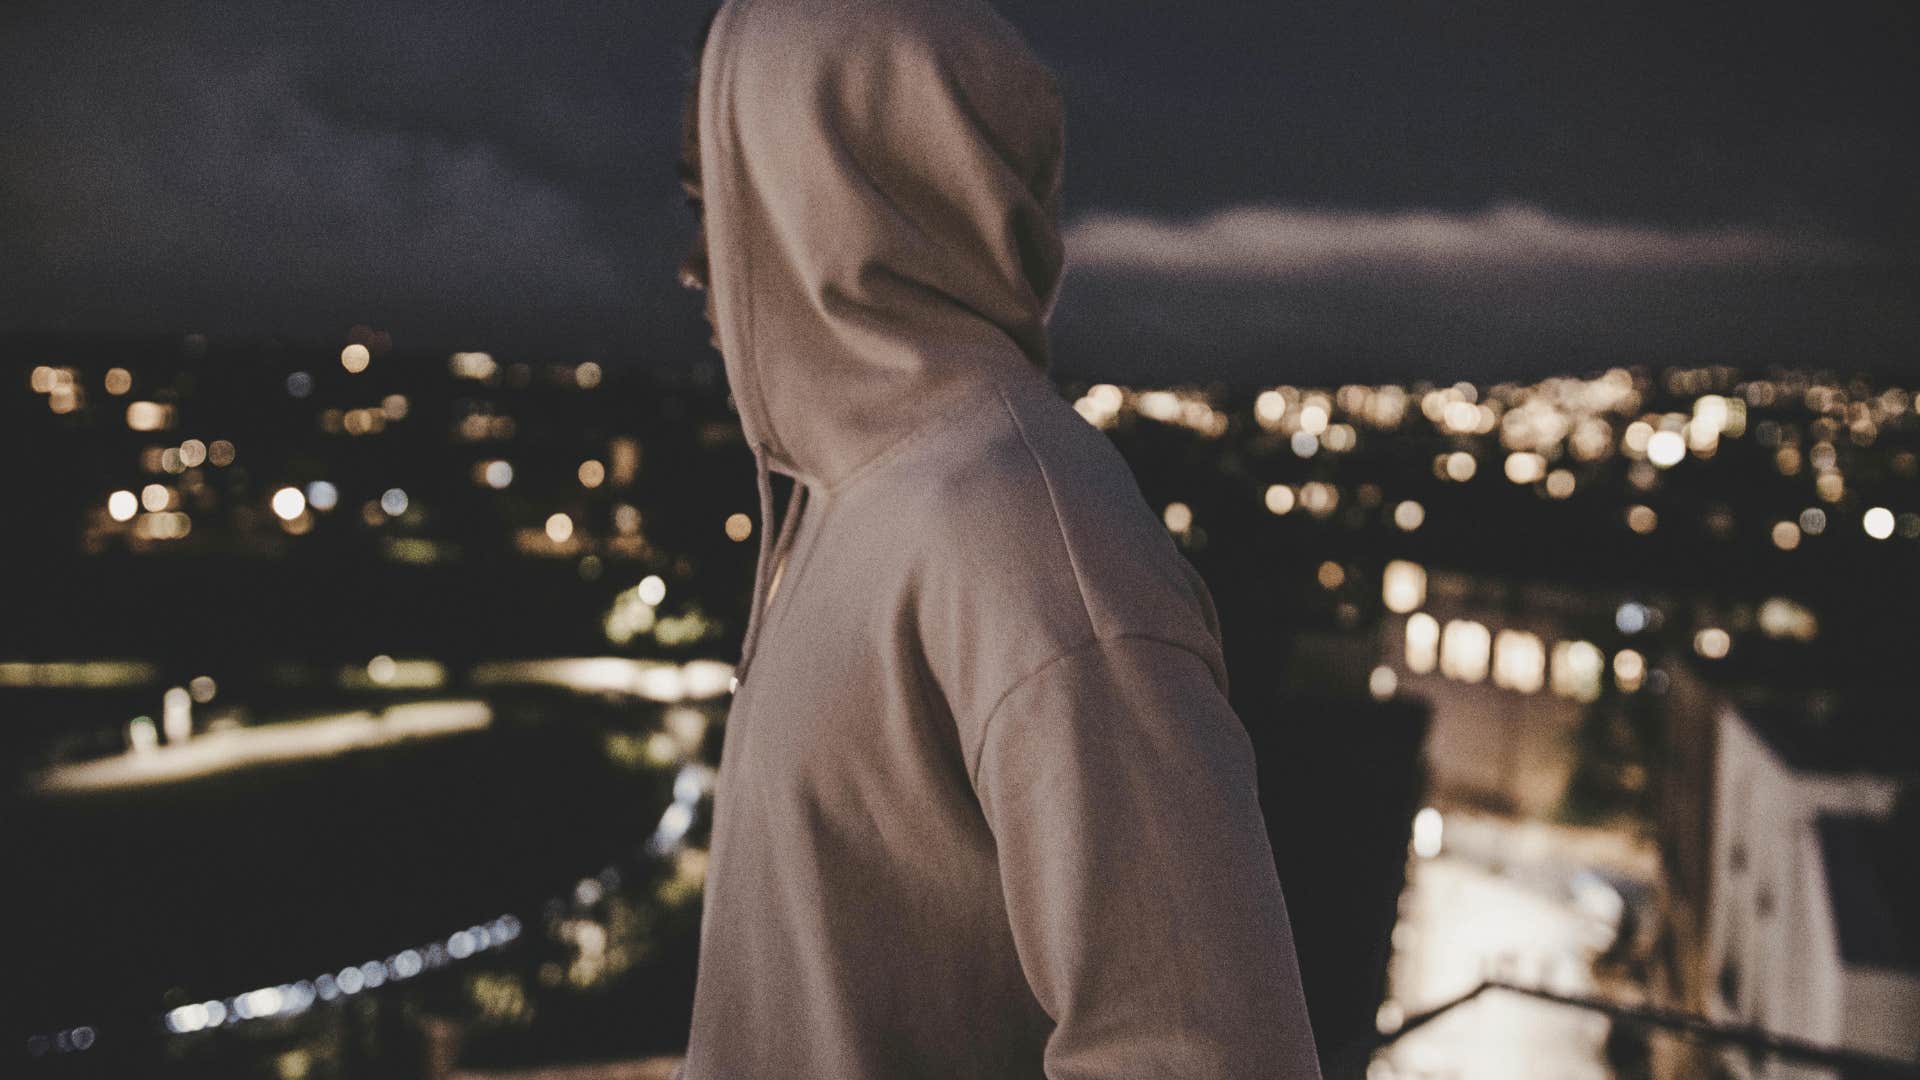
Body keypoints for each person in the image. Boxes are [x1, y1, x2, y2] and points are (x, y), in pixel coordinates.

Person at [672, 1, 1321, 1076]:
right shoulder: (854, 499)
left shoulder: (1024, 538)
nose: (698, 262)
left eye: (722, 202)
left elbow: (1203, 1053)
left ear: (833, 194)